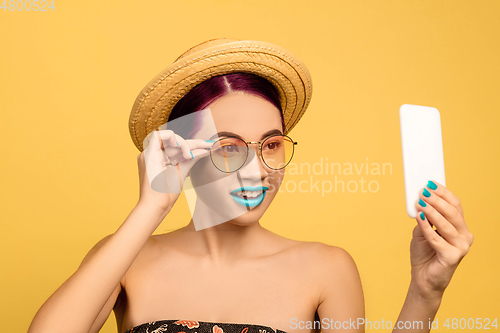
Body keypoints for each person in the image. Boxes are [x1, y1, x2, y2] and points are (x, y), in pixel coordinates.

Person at [27, 38, 473, 333]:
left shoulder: (327, 268)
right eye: (228, 147)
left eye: (272, 145)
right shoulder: (125, 259)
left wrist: (425, 293)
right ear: (181, 153)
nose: (259, 170)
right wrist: (150, 208)